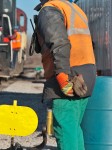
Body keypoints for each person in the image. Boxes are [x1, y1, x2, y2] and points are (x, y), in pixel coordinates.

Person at [34, 0, 96, 149]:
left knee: (65, 131)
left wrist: (62, 75)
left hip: (69, 77)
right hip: (86, 75)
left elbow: (59, 42)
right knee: (73, 129)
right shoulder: (74, 9)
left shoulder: (49, 10)